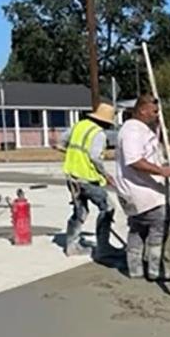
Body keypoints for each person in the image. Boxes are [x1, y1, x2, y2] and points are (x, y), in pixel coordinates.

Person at [116, 94, 170, 281]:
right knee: (158, 228)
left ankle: (135, 268)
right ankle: (154, 268)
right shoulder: (133, 131)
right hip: (143, 191)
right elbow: (134, 160)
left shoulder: (139, 129)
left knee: (137, 229)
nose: (157, 115)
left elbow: (149, 149)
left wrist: (158, 128)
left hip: (135, 191)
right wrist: (161, 171)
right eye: (154, 111)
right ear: (142, 110)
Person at [61, 103, 115, 258]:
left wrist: (70, 152)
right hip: (87, 178)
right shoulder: (98, 134)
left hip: (72, 176)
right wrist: (105, 174)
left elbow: (63, 140)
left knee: (80, 211)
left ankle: (71, 246)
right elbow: (95, 156)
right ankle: (104, 246)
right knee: (108, 207)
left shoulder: (79, 126)